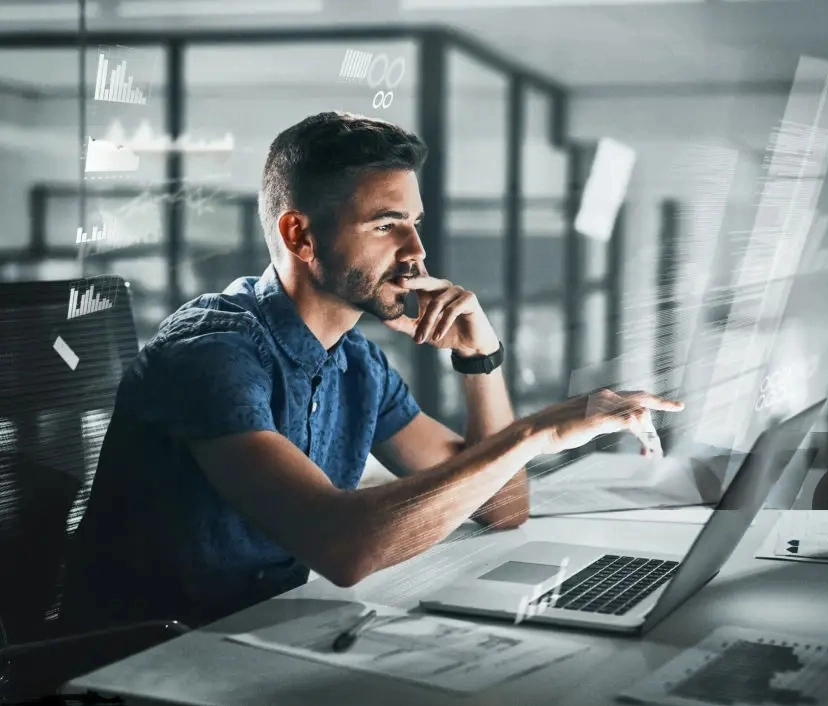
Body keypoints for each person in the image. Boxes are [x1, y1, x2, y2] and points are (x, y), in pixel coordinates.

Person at [62, 112, 683, 632]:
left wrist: (480, 355)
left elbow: (502, 507)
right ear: (299, 234)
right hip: (143, 663)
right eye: (387, 226)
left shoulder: (356, 363)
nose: (416, 252)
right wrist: (536, 432)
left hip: (262, 634)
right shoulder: (213, 354)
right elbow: (344, 548)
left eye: (415, 224)